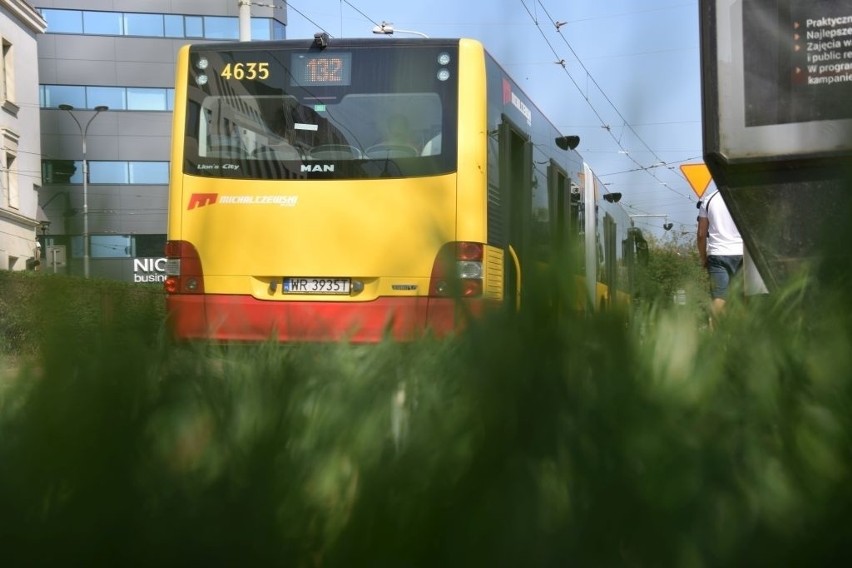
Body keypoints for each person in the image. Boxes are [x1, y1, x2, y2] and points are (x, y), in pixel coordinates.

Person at [697, 188, 743, 324]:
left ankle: (718, 338)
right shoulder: (742, 195)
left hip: (717, 255)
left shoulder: (708, 199)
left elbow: (701, 234)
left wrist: (703, 257)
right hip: (743, 254)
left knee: (719, 297)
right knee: (744, 297)